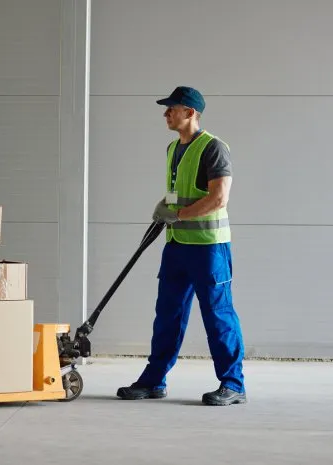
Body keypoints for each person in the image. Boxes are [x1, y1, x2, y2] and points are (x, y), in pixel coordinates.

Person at [116, 86, 246, 406]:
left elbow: (219, 198)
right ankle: (153, 380)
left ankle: (233, 384)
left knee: (218, 315)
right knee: (167, 315)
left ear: (190, 113)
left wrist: (178, 214)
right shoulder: (172, 149)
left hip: (208, 248)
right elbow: (179, 192)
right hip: (176, 245)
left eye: (171, 108)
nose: (165, 113)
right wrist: (166, 207)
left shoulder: (213, 148)